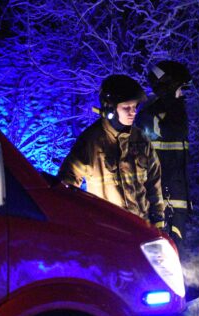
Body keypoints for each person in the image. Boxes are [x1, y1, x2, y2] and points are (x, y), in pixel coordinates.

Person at [58, 74, 166, 231]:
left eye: (134, 107)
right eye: (126, 107)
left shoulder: (141, 140)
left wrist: (158, 219)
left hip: (142, 229)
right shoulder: (91, 142)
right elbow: (66, 184)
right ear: (111, 109)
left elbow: (154, 182)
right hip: (109, 232)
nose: (133, 112)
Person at [136, 60, 192, 243]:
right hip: (160, 204)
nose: (182, 94)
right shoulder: (151, 116)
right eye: (179, 89)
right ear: (168, 87)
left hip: (175, 201)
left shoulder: (174, 115)